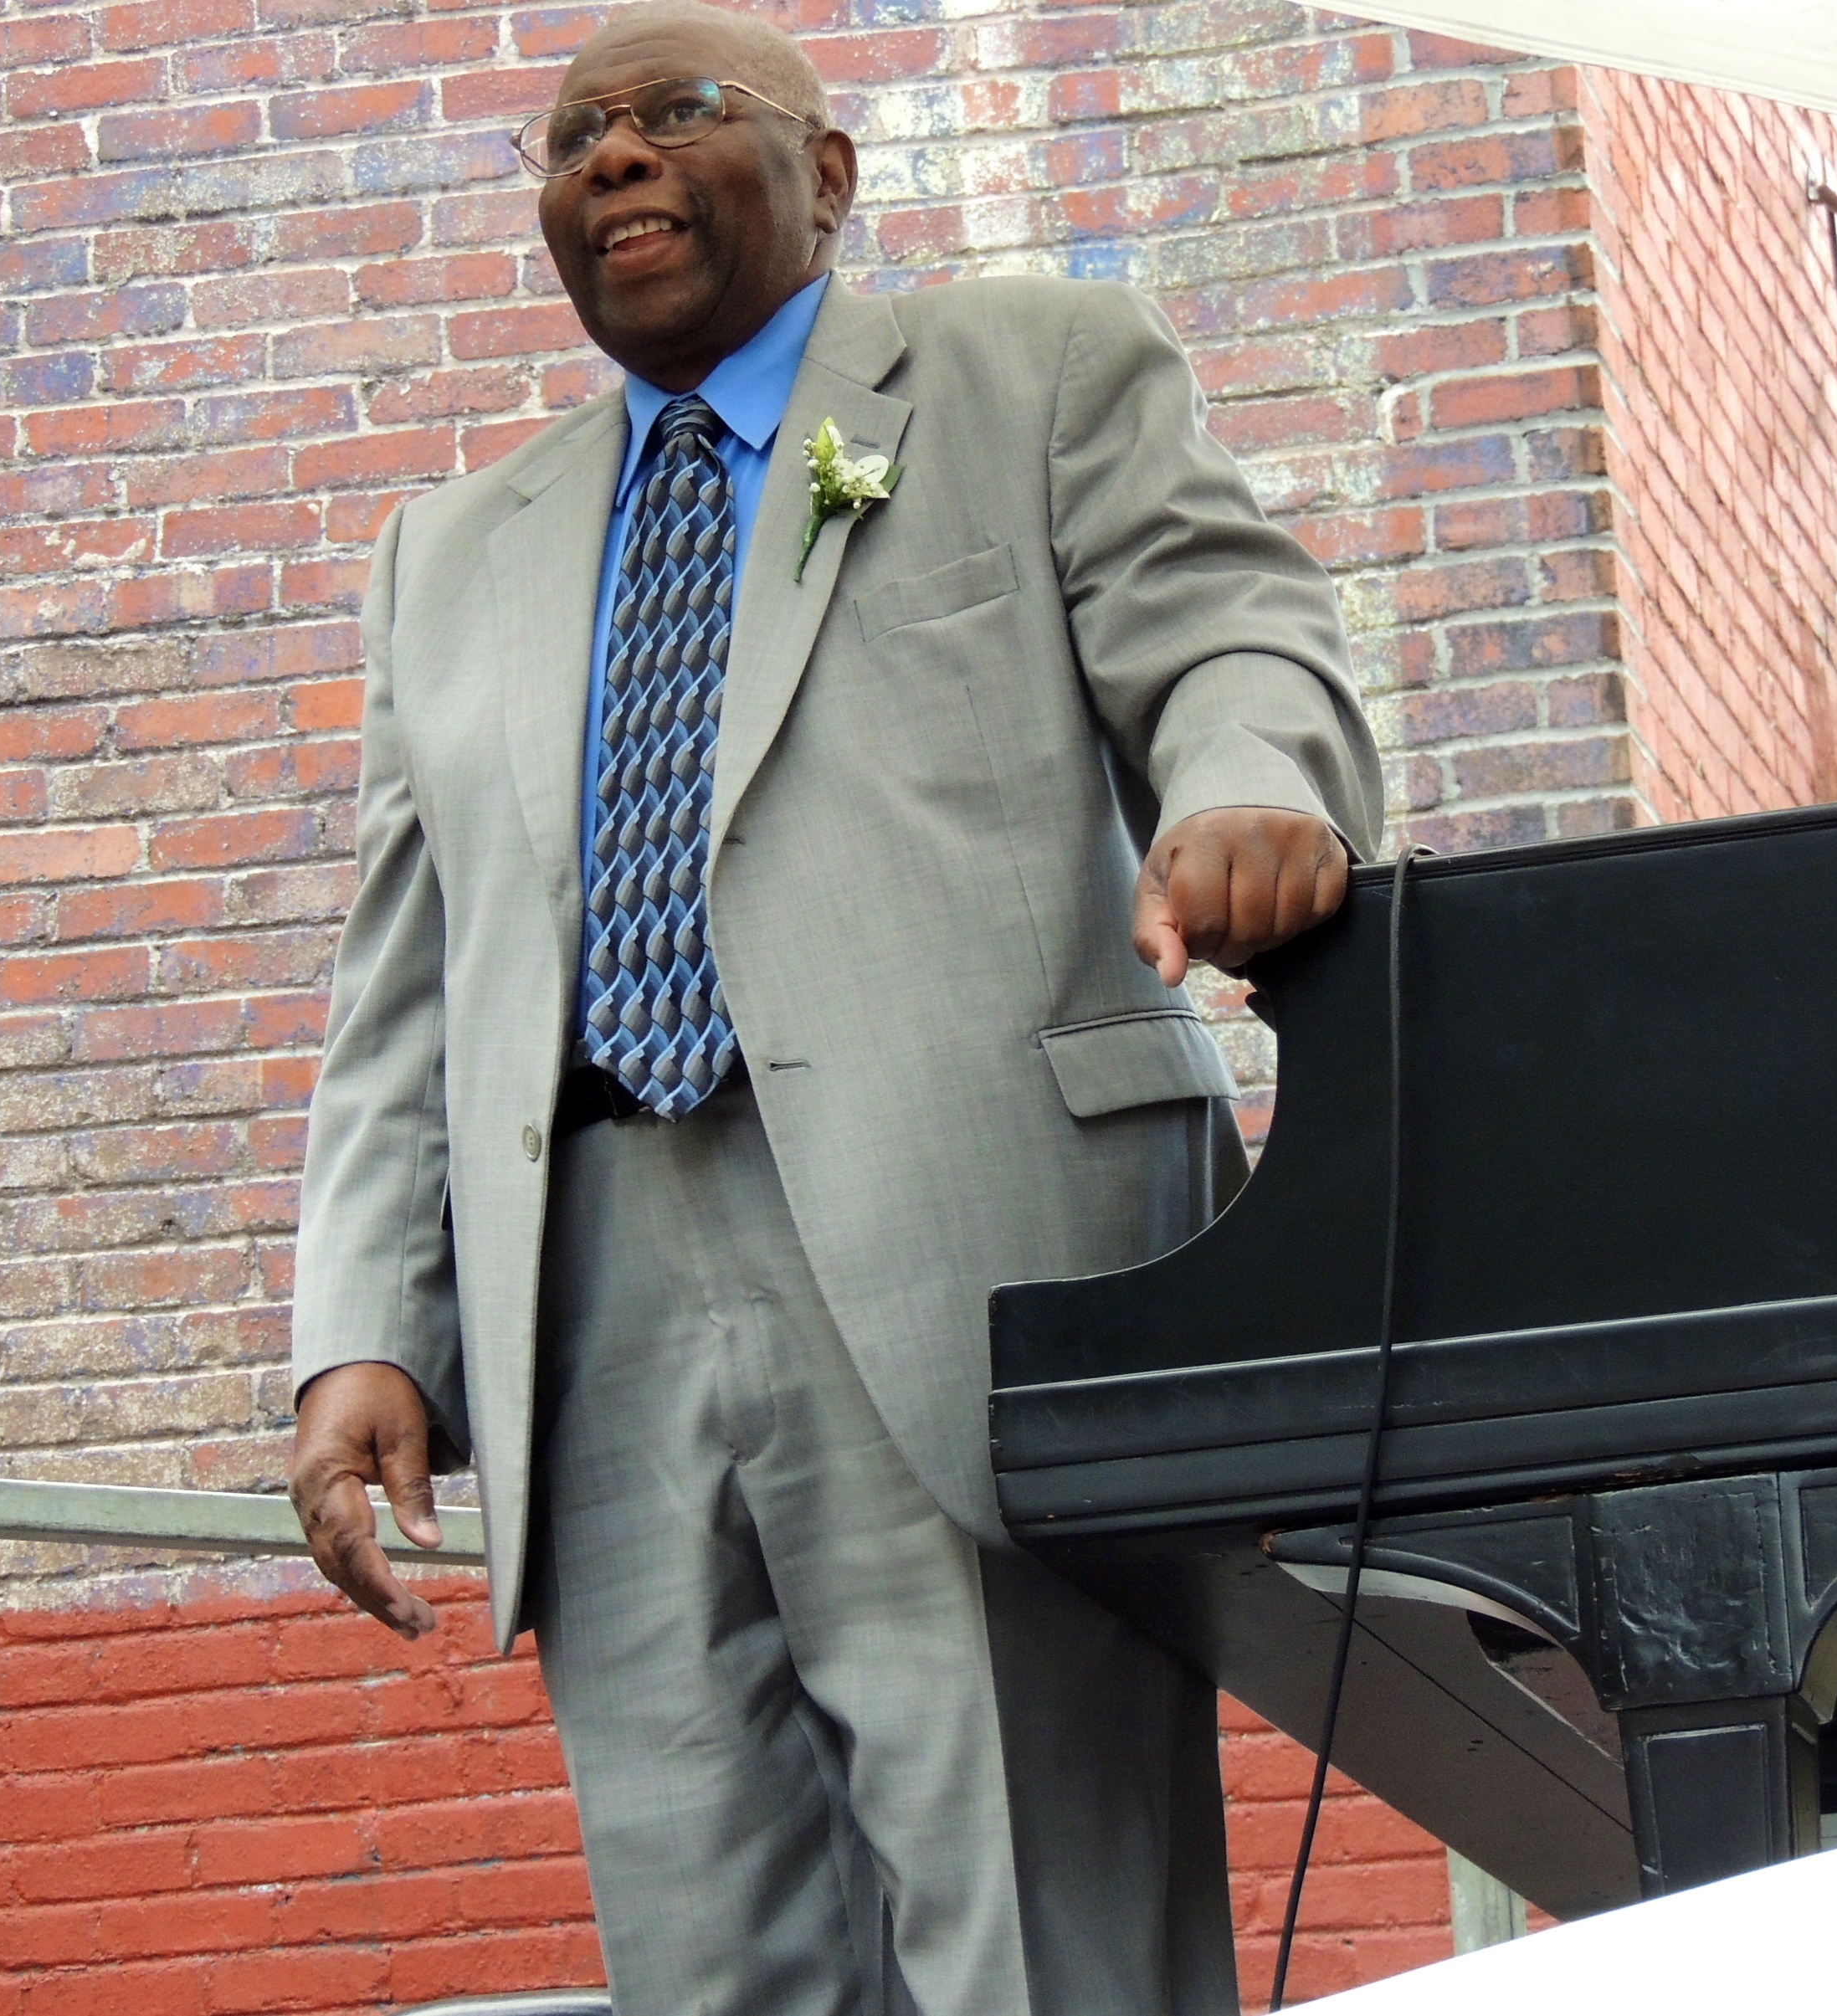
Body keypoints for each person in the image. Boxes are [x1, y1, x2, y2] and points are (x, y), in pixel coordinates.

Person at [289, 6, 1383, 2009]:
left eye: (675, 114)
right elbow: (409, 972)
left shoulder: (1024, 372)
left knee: (1030, 1926)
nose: (611, 160)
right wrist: (365, 1328)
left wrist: (1248, 785)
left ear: (831, 173)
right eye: (571, 138)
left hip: (955, 1244)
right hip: (590, 1295)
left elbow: (1235, 626)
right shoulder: (445, 555)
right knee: (712, 1947)